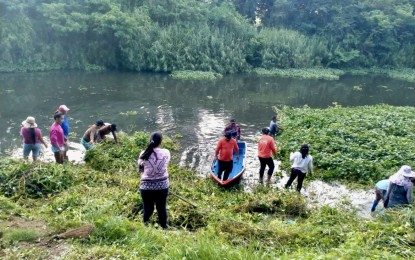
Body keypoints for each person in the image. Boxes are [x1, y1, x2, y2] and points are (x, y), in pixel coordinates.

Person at [137, 133, 171, 229]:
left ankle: (145, 225)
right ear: (161, 142)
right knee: (161, 208)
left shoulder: (143, 154)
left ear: (150, 141)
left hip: (146, 187)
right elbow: (165, 165)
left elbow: (140, 170)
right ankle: (164, 227)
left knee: (148, 208)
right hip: (162, 186)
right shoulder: (166, 152)